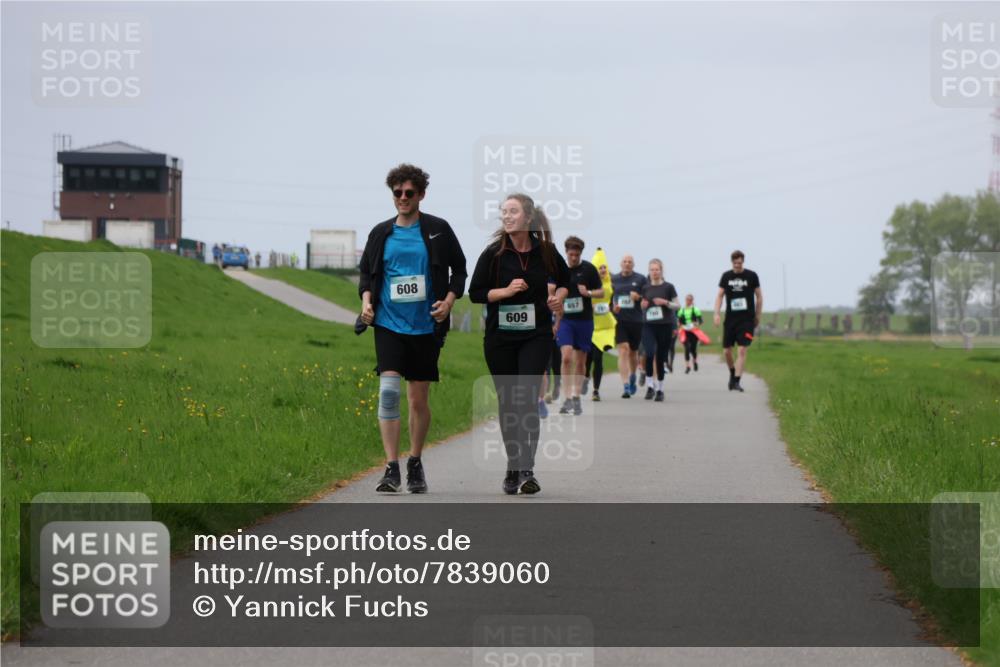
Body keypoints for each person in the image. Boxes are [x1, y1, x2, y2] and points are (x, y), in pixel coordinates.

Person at [358, 163, 467, 493]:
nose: (403, 198)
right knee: (389, 393)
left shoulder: (438, 229)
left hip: (425, 326)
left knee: (418, 401)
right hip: (388, 323)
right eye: (397, 193)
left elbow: (459, 271)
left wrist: (448, 301)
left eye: (409, 193)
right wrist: (366, 302)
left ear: (421, 194)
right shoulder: (381, 233)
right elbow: (367, 274)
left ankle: (415, 461)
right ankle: (391, 467)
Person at [469, 193, 570, 495]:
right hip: (500, 338)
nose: (507, 216)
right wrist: (505, 291)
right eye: (504, 212)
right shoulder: (494, 254)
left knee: (527, 399)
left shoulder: (547, 252)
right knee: (508, 402)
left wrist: (557, 299)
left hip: (536, 335)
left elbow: (565, 281)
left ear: (527, 217)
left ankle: (527, 468)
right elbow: (475, 293)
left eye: (513, 211)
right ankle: (513, 466)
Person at [556, 236, 604, 416]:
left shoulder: (589, 270)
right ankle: (566, 397)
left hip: (584, 321)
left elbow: (602, 291)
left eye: (577, 255)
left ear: (581, 254)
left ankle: (576, 396)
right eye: (571, 254)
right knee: (566, 357)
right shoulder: (560, 269)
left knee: (581, 360)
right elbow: (551, 289)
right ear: (566, 252)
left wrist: (589, 292)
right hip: (566, 320)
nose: (574, 258)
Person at [714, 250, 762, 393]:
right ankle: (732, 372)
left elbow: (759, 296)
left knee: (742, 349)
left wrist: (758, 315)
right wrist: (716, 313)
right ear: (732, 262)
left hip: (747, 319)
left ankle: (736, 381)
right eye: (735, 263)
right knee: (727, 352)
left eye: (740, 263)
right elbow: (719, 296)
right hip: (730, 319)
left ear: (743, 262)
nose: (737, 266)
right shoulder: (726, 276)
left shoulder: (752, 276)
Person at [640, 259, 679, 402]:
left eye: (657, 269)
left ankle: (660, 389)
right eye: (652, 270)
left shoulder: (669, 287)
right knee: (649, 353)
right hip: (648, 325)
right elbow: (642, 306)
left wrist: (665, 303)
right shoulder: (645, 288)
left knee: (661, 357)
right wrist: (642, 306)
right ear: (649, 271)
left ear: (661, 271)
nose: (654, 272)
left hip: (665, 325)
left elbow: (677, 305)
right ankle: (650, 386)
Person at [611, 254, 646, 398]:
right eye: (625, 261)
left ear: (633, 264)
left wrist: (638, 298)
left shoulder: (640, 279)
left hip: (636, 321)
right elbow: (609, 299)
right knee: (623, 350)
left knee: (633, 352)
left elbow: (647, 298)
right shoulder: (614, 280)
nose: (627, 264)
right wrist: (613, 309)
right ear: (620, 264)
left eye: (630, 262)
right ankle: (625, 385)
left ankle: (632, 376)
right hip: (620, 321)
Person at [584, 248, 616, 401]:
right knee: (588, 358)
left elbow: (612, 300)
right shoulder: (590, 284)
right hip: (590, 325)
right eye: (600, 267)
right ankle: (585, 378)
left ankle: (596, 390)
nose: (603, 270)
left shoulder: (610, 283)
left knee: (598, 357)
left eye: (605, 267)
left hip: (605, 326)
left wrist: (614, 307)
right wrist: (590, 306)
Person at [677, 294, 704, 374]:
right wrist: (679, 324)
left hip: (693, 332)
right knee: (687, 348)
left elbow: (701, 321)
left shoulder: (696, 310)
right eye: (687, 300)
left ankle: (695, 362)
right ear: (685, 300)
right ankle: (687, 366)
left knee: (693, 349)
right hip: (685, 332)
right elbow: (678, 320)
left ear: (692, 301)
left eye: (690, 300)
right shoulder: (682, 310)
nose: (688, 301)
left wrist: (696, 323)